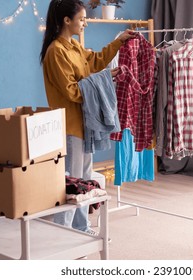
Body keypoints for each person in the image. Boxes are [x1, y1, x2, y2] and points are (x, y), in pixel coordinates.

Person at [39, 0, 136, 235]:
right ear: (66, 20)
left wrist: (118, 42)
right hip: (70, 127)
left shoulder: (74, 47)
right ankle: (63, 230)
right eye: (82, 19)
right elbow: (72, 91)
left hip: (86, 125)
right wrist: (103, 80)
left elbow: (95, 62)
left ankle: (80, 226)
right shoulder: (56, 51)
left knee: (83, 181)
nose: (85, 23)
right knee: (71, 182)